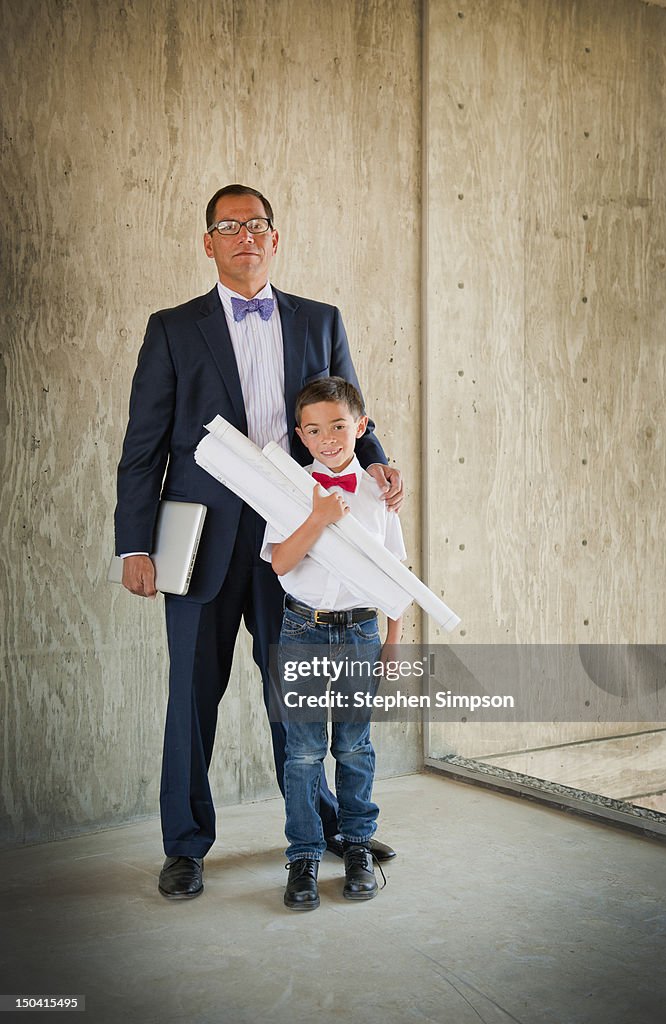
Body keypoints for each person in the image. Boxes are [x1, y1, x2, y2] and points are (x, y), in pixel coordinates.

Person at [114, 184, 403, 899]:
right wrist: (133, 545)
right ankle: (184, 847)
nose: (244, 235)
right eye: (228, 226)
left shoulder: (320, 319)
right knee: (192, 698)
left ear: (275, 239)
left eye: (257, 224)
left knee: (298, 696)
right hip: (198, 540)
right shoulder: (172, 328)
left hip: (299, 539)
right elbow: (142, 445)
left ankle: (329, 830)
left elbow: (350, 409)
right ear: (207, 243)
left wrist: (376, 466)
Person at [261, 378, 405, 910]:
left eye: (339, 427)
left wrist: (392, 640)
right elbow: (279, 561)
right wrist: (317, 518)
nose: (328, 439)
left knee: (353, 745)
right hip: (302, 628)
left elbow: (395, 573)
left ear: (361, 428)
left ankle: (358, 845)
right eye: (315, 430)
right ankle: (303, 855)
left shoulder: (379, 492)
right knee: (301, 752)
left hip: (362, 631)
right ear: (301, 435)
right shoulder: (290, 489)